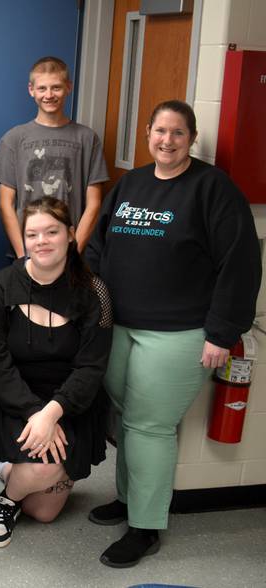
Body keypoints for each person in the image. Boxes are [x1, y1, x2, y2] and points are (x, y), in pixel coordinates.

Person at [85, 100, 261, 568]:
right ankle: (127, 500)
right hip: (120, 325)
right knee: (125, 419)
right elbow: (100, 248)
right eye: (160, 131)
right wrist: (89, 305)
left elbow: (240, 266)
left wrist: (222, 332)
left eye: (178, 133)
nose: (167, 140)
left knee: (149, 425)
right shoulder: (133, 183)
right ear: (147, 133)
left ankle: (145, 527)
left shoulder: (213, 189)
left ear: (191, 138)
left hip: (180, 332)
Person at [0, 197, 111, 550]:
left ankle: (6, 471)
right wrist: (35, 412)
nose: (42, 241)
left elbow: (91, 366)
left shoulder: (94, 290)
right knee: (43, 471)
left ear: (69, 234)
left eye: (52, 232)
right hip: (17, 399)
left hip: (70, 403)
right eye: (33, 234)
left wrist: (53, 412)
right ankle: (6, 500)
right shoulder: (1, 286)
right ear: (23, 239)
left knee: (43, 511)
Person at [0, 56, 108, 258]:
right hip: (28, 252)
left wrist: (74, 254)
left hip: (71, 253)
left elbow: (94, 204)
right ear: (31, 90)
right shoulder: (14, 139)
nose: (49, 95)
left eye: (56, 87)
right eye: (42, 88)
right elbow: (5, 205)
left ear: (68, 87)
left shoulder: (87, 138)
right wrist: (22, 256)